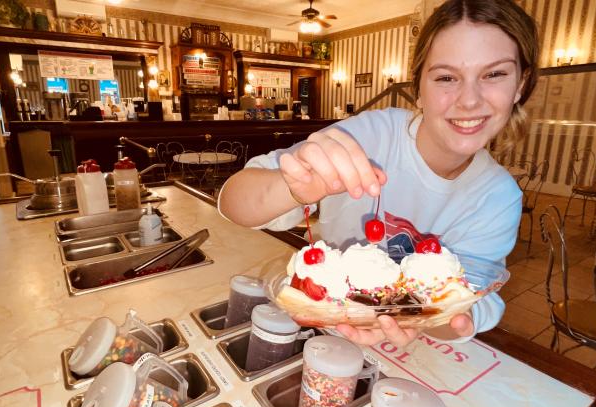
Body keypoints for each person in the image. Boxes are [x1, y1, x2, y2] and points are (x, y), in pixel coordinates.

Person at [219, 0, 539, 347]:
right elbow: (233, 202)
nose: (469, 100)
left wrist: (424, 318)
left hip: (417, 348)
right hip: (322, 332)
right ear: (419, 89)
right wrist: (293, 189)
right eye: (446, 77)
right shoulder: (370, 136)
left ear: (520, 85)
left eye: (494, 74)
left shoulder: (498, 197)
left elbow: (470, 305)